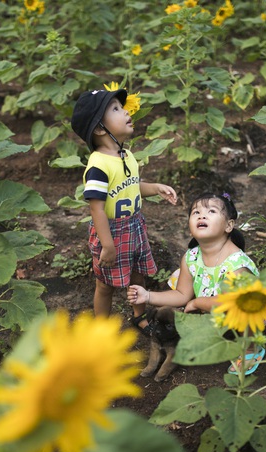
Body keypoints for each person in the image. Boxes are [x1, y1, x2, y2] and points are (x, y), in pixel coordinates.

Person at [70, 88, 177, 323]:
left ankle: (139, 316)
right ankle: (101, 328)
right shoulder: (99, 165)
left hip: (135, 227)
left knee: (138, 277)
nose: (126, 111)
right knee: (105, 285)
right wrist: (107, 245)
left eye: (122, 106)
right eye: (116, 109)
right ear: (100, 128)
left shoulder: (126, 155)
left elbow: (133, 185)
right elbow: (96, 209)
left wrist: (155, 187)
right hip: (111, 231)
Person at [128, 192, 264, 375]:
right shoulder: (191, 257)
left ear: (229, 225)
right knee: (179, 278)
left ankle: (250, 349)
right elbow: (182, 294)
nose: (202, 215)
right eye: (195, 212)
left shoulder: (237, 264)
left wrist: (196, 303)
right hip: (212, 310)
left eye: (211, 211)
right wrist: (147, 295)